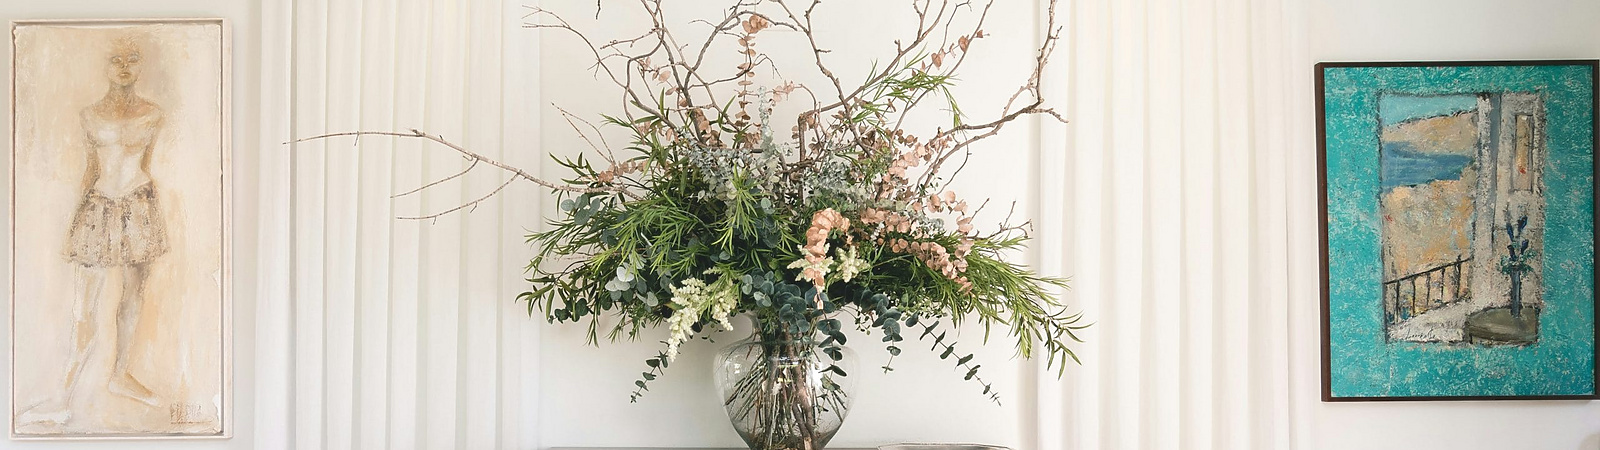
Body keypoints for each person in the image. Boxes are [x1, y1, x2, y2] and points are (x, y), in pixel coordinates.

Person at [21, 35, 168, 426]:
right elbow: (92, 168)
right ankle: (64, 395)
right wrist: (78, 217)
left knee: (133, 294)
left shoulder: (154, 114)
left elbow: (146, 164)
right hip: (99, 206)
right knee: (84, 304)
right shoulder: (89, 115)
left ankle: (120, 374)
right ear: (105, 66)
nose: (124, 66)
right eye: (116, 59)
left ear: (140, 66)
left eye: (132, 59)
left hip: (139, 204)